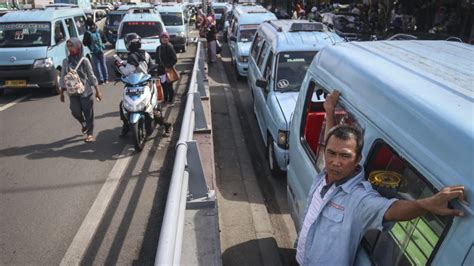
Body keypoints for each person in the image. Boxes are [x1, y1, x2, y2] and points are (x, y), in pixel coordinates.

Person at [296, 90, 467, 265]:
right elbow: (330, 143)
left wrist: (426, 204)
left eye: (345, 156)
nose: (335, 162)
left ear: (358, 160)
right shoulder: (326, 173)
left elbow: (391, 210)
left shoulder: (358, 198)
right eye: (331, 153)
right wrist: (329, 111)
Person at [118, 33, 172, 138]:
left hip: (141, 85)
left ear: (128, 45)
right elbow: (152, 66)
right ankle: (126, 125)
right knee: (140, 106)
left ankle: (167, 125)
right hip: (145, 83)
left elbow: (127, 72)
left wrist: (119, 66)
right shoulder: (145, 54)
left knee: (134, 106)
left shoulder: (132, 57)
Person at [59, 38, 102, 143]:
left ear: (78, 46)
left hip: (86, 91)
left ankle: (90, 133)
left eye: (72, 46)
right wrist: (62, 93)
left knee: (88, 113)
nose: (70, 48)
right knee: (75, 111)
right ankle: (83, 123)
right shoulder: (66, 61)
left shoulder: (84, 60)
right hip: (73, 92)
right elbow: (63, 76)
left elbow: (91, 75)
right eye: (68, 46)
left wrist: (97, 90)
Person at [155, 32, 177, 106]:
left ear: (168, 39)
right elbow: (157, 60)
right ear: (160, 39)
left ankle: (170, 101)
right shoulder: (158, 48)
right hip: (161, 71)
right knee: (163, 85)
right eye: (162, 37)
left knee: (169, 86)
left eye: (166, 37)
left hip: (168, 70)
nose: (164, 39)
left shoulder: (170, 47)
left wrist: (168, 66)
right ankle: (165, 100)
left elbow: (174, 59)